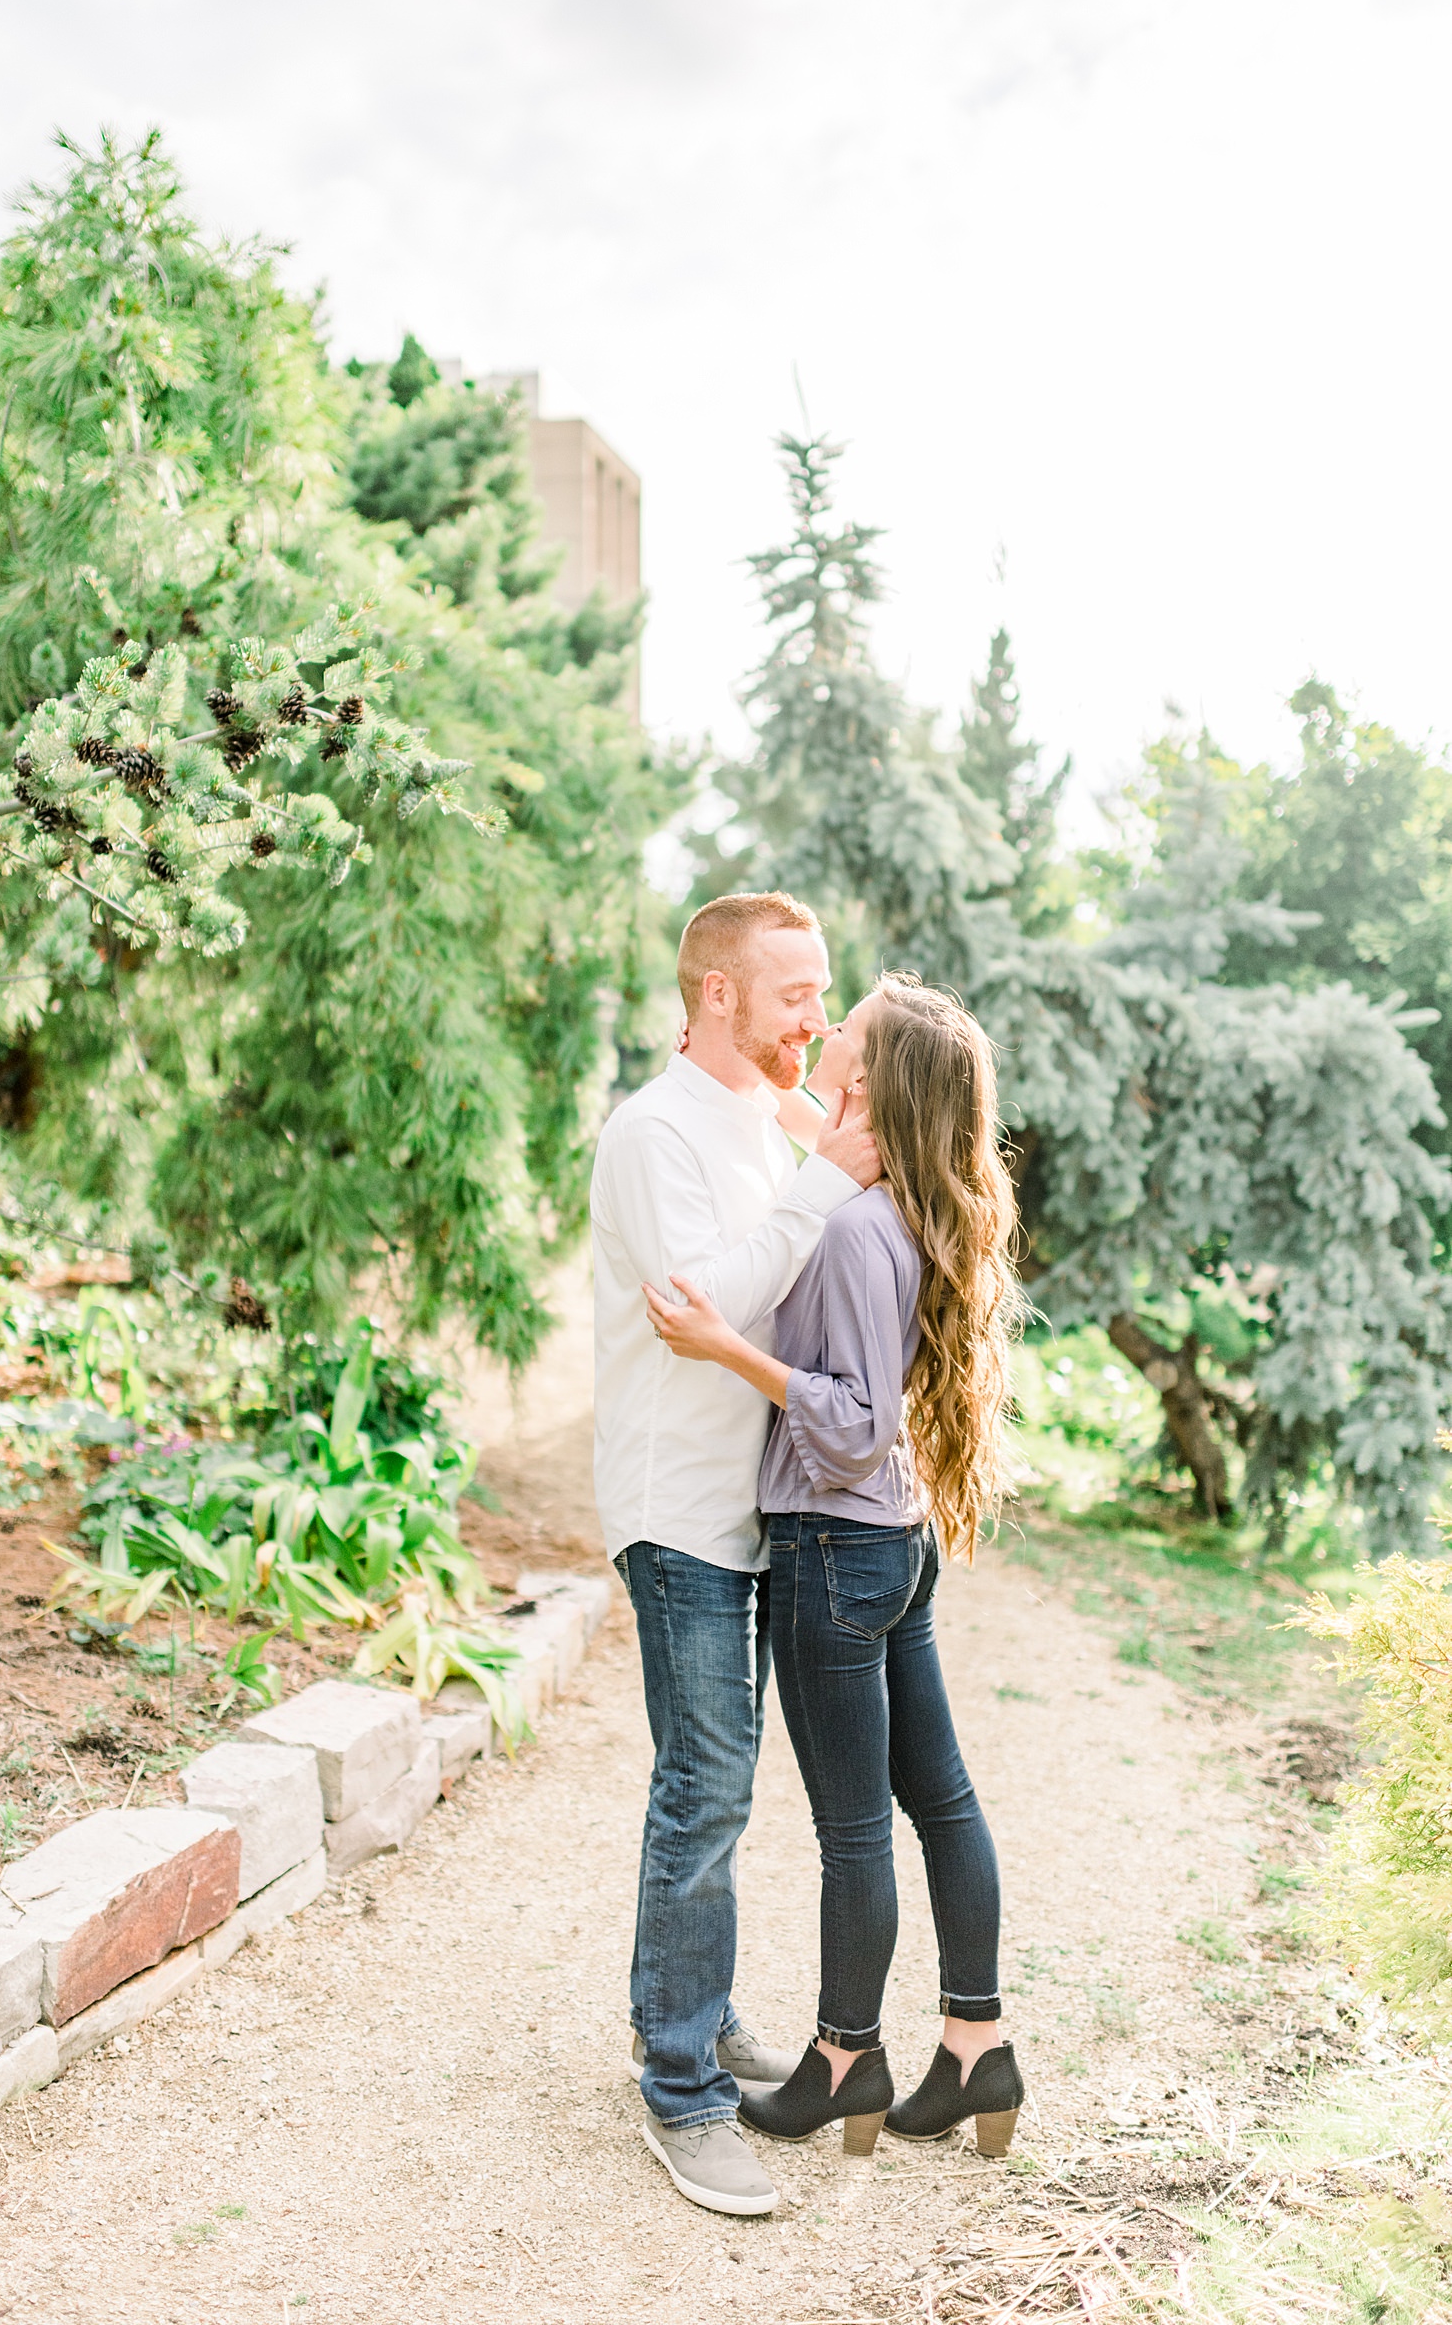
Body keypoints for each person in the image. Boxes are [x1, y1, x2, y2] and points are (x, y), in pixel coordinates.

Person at [645, 974, 1028, 2160]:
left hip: (833, 1541)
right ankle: (975, 2046)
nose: (820, 1035)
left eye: (841, 1032)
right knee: (942, 1800)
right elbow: (817, 1131)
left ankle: (844, 2059)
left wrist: (723, 1347)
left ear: (870, 1078)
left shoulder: (858, 1228)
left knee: (855, 1831)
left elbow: (854, 1423)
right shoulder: (901, 1200)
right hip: (895, 1544)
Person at [591, 891, 881, 2218]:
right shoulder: (653, 1134)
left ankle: (693, 2019)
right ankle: (680, 2088)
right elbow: (701, 1304)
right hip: (679, 1514)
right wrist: (825, 1179)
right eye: (788, 997)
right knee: (702, 1788)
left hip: (761, 1512)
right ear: (715, 994)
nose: (809, 1021)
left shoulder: (776, 1121)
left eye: (819, 993)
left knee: (726, 1791)